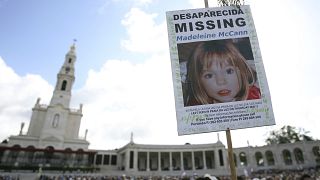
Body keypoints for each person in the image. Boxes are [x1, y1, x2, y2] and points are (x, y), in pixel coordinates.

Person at [184, 39, 260, 106]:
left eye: (229, 71)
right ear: (198, 82)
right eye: (209, 75)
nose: (221, 81)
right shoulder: (194, 108)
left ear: (242, 72)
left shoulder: (257, 97)